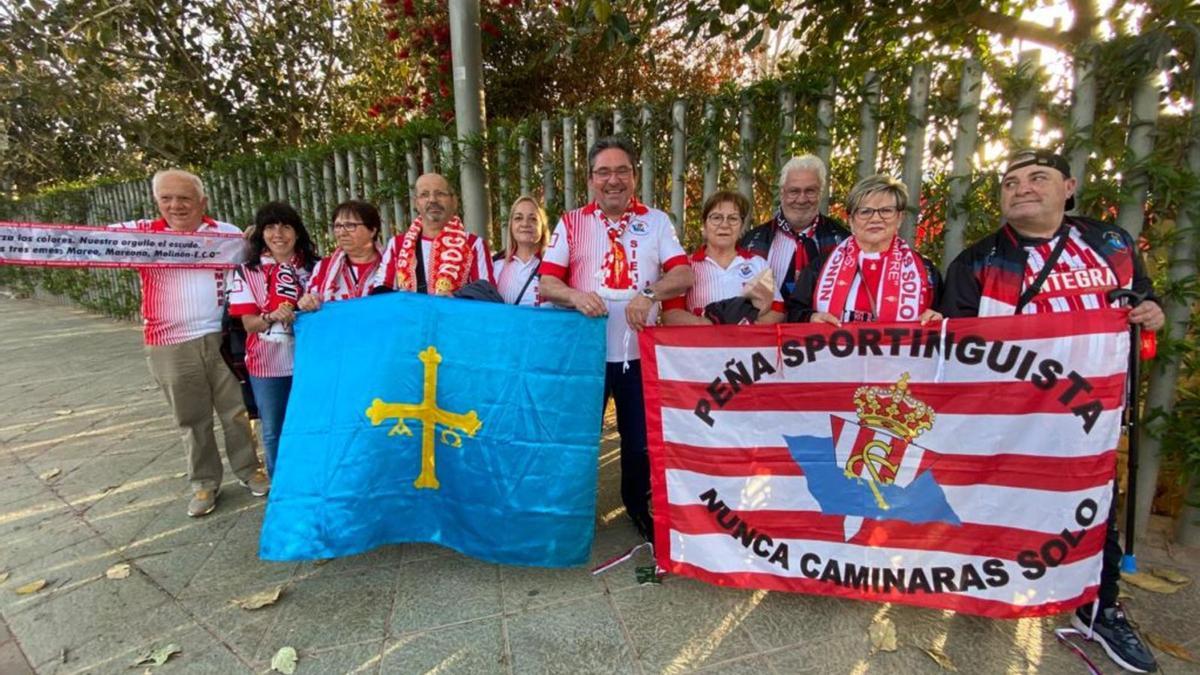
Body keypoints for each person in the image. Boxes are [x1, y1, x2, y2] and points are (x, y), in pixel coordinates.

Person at [941, 149, 1164, 674]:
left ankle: (1100, 608)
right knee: (992, 503)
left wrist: (1150, 315)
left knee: (1095, 508)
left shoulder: (1111, 245)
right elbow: (953, 348)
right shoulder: (976, 261)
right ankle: (979, 587)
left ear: (1069, 187)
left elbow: (1145, 307)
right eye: (1011, 182)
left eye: (1037, 178)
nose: (1022, 189)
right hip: (1007, 418)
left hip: (1089, 414)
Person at [538, 136, 693, 539]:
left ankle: (636, 505)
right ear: (591, 179)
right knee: (578, 435)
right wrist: (574, 295)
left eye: (621, 170)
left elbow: (683, 273)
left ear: (634, 176)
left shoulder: (657, 221)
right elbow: (547, 283)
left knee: (639, 438)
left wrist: (649, 293)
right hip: (585, 355)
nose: (613, 180)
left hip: (638, 353)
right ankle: (572, 509)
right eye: (604, 172)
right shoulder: (571, 222)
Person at [111, 169, 268, 517]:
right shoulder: (141, 235)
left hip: (222, 338)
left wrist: (256, 239)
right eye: (166, 198)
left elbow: (256, 265)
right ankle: (204, 483)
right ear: (157, 202)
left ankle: (249, 470)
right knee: (191, 418)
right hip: (169, 342)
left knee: (237, 412)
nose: (175, 205)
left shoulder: (227, 236)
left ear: (202, 202)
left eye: (184, 198)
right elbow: (82, 243)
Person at [228, 202, 320, 477]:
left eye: (286, 226)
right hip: (268, 365)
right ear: (262, 234)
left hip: (312, 361)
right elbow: (250, 324)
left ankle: (313, 480)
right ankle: (281, 489)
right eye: (270, 227)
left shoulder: (318, 268)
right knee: (274, 429)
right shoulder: (247, 272)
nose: (278, 233)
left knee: (314, 423)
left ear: (297, 232)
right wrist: (271, 316)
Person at [787, 174, 942, 325]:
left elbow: (949, 327)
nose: (875, 219)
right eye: (865, 211)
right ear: (851, 220)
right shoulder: (820, 266)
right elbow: (794, 312)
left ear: (899, 218)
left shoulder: (925, 271)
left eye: (886, 210)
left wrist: (937, 318)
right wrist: (811, 318)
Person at [662, 190, 783, 326]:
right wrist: (711, 329)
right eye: (716, 217)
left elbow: (778, 310)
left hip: (747, 344)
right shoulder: (686, 267)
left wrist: (748, 328)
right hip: (702, 344)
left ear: (742, 226)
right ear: (704, 225)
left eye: (733, 218)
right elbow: (670, 314)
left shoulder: (758, 264)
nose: (725, 225)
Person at [739, 154, 850, 298]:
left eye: (810, 191)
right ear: (782, 193)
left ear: (820, 193)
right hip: (767, 319)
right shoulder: (751, 241)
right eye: (794, 191)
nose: (802, 199)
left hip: (823, 319)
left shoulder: (843, 242)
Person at [374, 173, 493, 294]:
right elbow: (382, 293)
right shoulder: (397, 245)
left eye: (440, 193)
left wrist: (455, 298)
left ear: (454, 201)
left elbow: (485, 293)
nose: (432, 200)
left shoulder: (473, 244)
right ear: (416, 203)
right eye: (424, 194)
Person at [297, 200, 383, 310]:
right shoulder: (324, 267)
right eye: (338, 226)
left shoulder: (391, 265)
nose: (342, 233)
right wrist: (308, 302)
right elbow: (311, 299)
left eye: (350, 225)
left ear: (372, 231)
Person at [492, 195, 549, 306]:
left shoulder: (554, 266)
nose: (525, 224)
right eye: (518, 218)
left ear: (542, 226)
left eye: (533, 219)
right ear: (511, 226)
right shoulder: (495, 267)